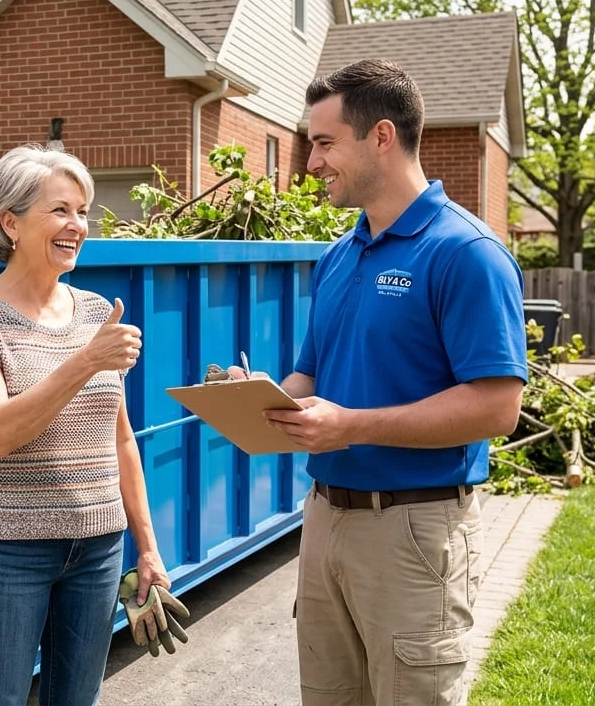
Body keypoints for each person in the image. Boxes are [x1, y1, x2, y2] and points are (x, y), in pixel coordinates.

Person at [227, 59, 528, 705]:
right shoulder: (340, 254)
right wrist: (257, 398)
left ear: (382, 137)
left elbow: (497, 407)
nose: (311, 162)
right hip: (324, 519)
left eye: (325, 142)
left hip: (414, 531)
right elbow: (313, 373)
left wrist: (351, 426)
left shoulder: (466, 253)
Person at [0, 144, 170, 706]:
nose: (77, 225)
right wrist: (87, 360)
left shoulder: (95, 312)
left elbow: (119, 438)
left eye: (83, 211)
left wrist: (148, 547)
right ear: (10, 223)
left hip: (97, 547)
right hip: (4, 551)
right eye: (61, 210)